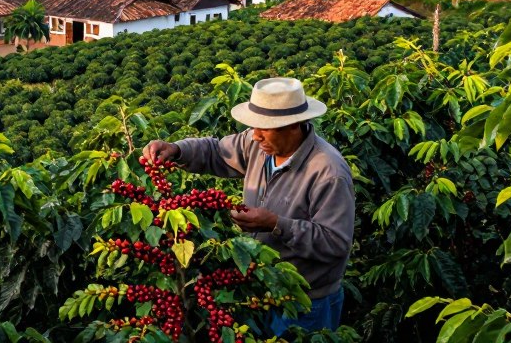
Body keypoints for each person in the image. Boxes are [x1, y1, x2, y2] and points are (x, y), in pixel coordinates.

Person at [142, 77, 354, 334]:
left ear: (294, 125)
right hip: (259, 290)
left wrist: (276, 224)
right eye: (254, 126)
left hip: (305, 301)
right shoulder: (259, 146)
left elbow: (335, 243)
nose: (255, 135)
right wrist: (177, 150)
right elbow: (217, 152)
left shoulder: (328, 172)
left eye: (265, 127)